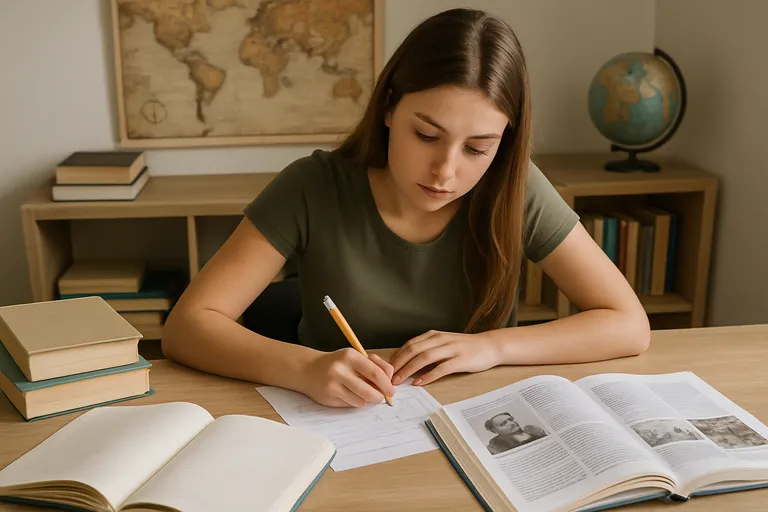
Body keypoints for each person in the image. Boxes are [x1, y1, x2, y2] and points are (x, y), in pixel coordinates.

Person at [161, 8, 650, 409]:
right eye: (427, 135)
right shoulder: (313, 187)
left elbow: (628, 323)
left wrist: (492, 346)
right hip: (336, 415)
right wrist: (304, 366)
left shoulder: (516, 189)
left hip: (476, 414)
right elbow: (187, 326)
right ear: (390, 107)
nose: (445, 171)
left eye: (477, 148)